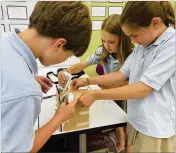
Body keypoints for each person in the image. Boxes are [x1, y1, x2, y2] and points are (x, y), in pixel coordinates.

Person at [71, 1, 175, 152]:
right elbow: (120, 74)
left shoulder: (171, 46)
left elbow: (143, 89)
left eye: (134, 35)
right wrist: (87, 80)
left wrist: (96, 94)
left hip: (155, 126)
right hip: (137, 118)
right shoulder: (143, 44)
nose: (132, 41)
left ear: (155, 23)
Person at [1, 1, 92, 152]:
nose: (66, 59)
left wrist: (28, 79)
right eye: (68, 55)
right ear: (59, 44)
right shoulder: (25, 90)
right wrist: (59, 118)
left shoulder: (4, 40)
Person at [58, 14, 134, 151]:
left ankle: (126, 144)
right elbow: (83, 64)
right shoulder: (102, 51)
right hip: (107, 93)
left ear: (123, 39)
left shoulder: (131, 56)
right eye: (103, 41)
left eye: (111, 42)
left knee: (127, 123)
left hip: (126, 96)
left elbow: (130, 84)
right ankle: (120, 138)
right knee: (113, 118)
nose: (106, 45)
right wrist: (67, 70)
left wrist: (105, 86)